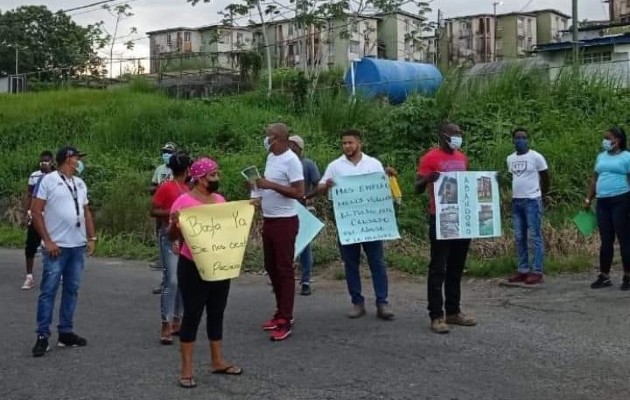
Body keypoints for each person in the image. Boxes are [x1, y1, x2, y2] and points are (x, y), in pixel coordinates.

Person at [169, 158, 242, 389]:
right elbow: (172, 236)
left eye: (217, 174)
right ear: (200, 179)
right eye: (212, 175)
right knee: (192, 314)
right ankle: (187, 369)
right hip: (192, 265)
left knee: (217, 312)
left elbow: (229, 229)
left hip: (219, 263)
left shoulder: (220, 200)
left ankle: (217, 360)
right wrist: (174, 224)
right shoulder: (183, 202)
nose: (216, 179)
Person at [317, 129, 395, 320]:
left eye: (350, 143)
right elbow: (319, 187)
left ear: (359, 143)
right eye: (344, 143)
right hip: (348, 225)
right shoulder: (335, 166)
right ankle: (357, 303)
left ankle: (382, 302)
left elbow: (384, 189)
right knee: (351, 264)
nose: (347, 146)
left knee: (377, 263)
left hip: (371, 224)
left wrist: (389, 176)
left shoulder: (374, 164)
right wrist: (325, 186)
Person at [30, 146, 96, 357]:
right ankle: (42, 335)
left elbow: (86, 212)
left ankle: (66, 331)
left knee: (72, 289)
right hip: (56, 247)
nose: (78, 162)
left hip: (76, 245)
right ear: (67, 159)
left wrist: (92, 237)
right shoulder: (48, 181)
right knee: (48, 291)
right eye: (76, 158)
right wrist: (47, 241)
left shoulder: (80, 183)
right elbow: (36, 211)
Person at [416, 123, 476, 334]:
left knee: (456, 267)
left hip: (461, 219)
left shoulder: (462, 157)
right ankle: (436, 315)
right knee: (438, 268)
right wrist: (426, 179)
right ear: (442, 135)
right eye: (453, 133)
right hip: (440, 218)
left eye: (459, 133)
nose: (457, 137)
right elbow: (416, 188)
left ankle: (453, 311)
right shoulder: (430, 158)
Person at [252, 123, 304, 341]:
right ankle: (280, 310)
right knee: (270, 266)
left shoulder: (292, 160)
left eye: (269, 137)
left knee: (284, 269)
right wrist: (257, 188)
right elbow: (267, 184)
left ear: (278, 138)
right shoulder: (271, 157)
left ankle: (286, 318)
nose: (266, 140)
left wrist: (271, 185)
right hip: (270, 219)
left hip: (285, 220)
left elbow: (299, 192)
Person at [151, 151, 191, 345]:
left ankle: (177, 319)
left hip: (186, 238)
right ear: (187, 169)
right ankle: (165, 323)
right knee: (172, 280)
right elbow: (153, 210)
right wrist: (172, 212)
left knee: (183, 280)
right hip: (169, 236)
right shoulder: (167, 187)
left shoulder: (188, 188)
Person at [584, 127, 630, 291]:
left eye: (607, 138)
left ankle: (627, 276)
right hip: (603, 202)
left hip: (621, 200)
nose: (605, 141)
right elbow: (595, 179)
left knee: (624, 239)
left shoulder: (627, 157)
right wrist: (589, 198)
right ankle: (604, 276)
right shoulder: (601, 157)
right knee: (606, 240)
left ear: (617, 140)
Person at [506, 128, 550, 285]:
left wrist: (542, 195)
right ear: (513, 140)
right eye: (517, 138)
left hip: (532, 200)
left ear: (528, 140)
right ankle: (523, 269)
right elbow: (513, 177)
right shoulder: (510, 159)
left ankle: (537, 270)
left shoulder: (536, 157)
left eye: (523, 137)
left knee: (534, 236)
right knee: (519, 237)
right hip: (517, 201)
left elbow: (545, 176)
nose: (521, 140)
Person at [288, 134, 321, 296]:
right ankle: (285, 279)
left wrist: (307, 197)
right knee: (285, 246)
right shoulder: (284, 163)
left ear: (299, 147)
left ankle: (305, 281)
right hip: (285, 209)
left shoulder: (307, 164)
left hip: (302, 210)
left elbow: (318, 185)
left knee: (304, 245)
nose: (289, 147)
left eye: (292, 145)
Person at [21, 151, 55, 290]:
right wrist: (27, 212)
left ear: (52, 162)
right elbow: (30, 194)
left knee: (54, 243)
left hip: (51, 215)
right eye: (42, 161)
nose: (43, 163)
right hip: (36, 215)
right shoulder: (34, 176)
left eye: (46, 161)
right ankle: (29, 277)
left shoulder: (56, 176)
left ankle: (57, 274)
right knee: (30, 245)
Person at [150, 142, 177, 294]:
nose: (166, 154)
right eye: (164, 152)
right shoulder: (160, 170)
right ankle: (165, 281)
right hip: (162, 212)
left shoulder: (178, 171)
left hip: (176, 212)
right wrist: (160, 189)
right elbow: (151, 187)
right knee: (163, 244)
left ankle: (175, 281)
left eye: (169, 152)